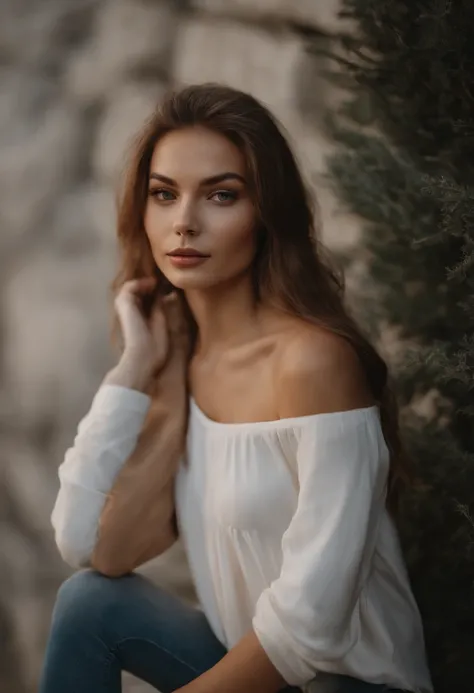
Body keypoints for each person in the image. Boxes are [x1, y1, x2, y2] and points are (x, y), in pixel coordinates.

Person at [39, 84, 433, 693]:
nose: (184, 223)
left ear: (266, 214)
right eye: (164, 195)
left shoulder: (313, 364)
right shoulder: (183, 359)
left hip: (348, 683)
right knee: (88, 601)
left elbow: (309, 627)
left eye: (221, 195)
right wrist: (135, 371)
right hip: (259, 671)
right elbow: (89, 545)